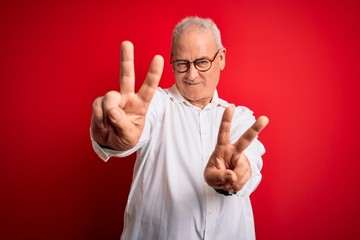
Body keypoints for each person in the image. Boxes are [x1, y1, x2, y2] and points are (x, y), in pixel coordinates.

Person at [90, 16, 269, 240]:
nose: (191, 75)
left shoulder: (240, 118)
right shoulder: (155, 104)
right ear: (172, 60)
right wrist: (114, 139)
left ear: (221, 58)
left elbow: (251, 160)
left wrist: (237, 174)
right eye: (182, 64)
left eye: (202, 62)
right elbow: (136, 127)